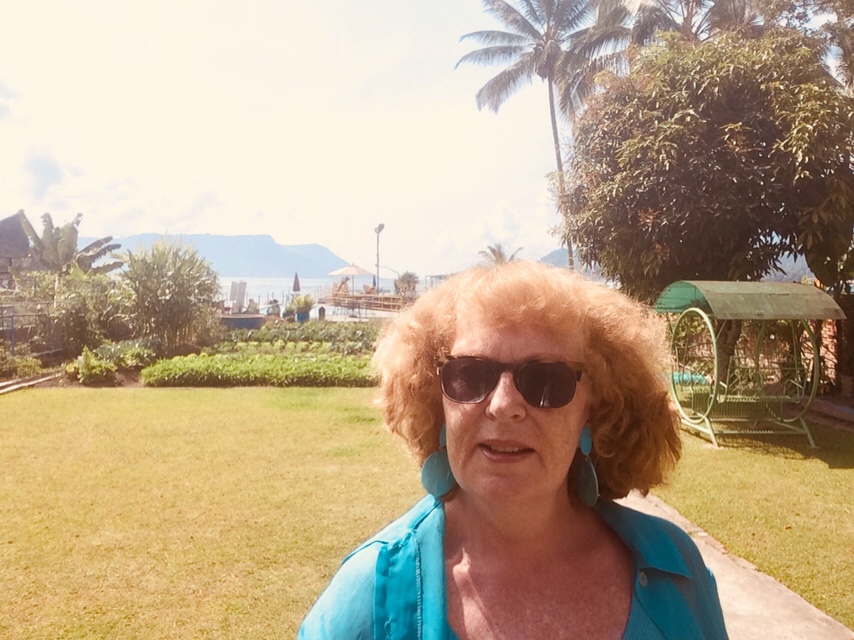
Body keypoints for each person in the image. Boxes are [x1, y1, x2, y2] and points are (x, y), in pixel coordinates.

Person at [299, 261, 727, 639]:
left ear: (594, 409)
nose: (503, 406)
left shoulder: (676, 569)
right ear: (436, 401)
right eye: (470, 375)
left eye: (546, 380)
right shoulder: (370, 594)